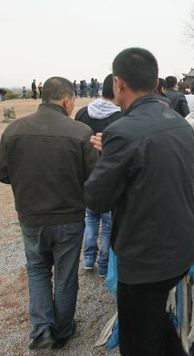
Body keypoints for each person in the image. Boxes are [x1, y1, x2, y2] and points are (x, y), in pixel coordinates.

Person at [84, 48, 194, 356]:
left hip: (146, 258)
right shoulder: (180, 123)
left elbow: (97, 197)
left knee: (138, 343)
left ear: (118, 83)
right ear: (157, 81)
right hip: (180, 248)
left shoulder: (121, 132)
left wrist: (105, 157)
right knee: (155, 323)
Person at [0, 77, 98, 350]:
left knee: (37, 270)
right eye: (73, 100)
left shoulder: (14, 130)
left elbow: (1, 173)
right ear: (66, 100)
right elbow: (94, 175)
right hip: (69, 216)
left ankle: (41, 330)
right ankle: (62, 330)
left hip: (31, 215)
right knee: (65, 275)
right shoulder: (81, 132)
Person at [75, 74, 123, 277]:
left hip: (87, 175)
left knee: (91, 219)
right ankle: (104, 265)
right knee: (109, 223)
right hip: (110, 177)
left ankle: (87, 259)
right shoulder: (121, 117)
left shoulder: (83, 112)